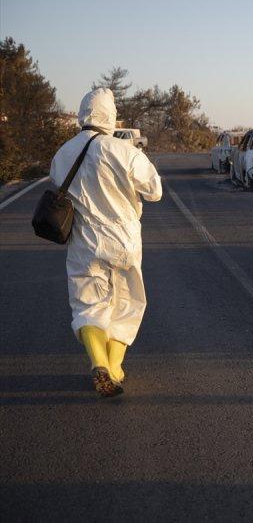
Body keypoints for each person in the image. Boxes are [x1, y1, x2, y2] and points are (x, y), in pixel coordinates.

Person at [49, 88, 161, 397]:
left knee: (87, 304)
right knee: (127, 303)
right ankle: (114, 367)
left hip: (83, 241)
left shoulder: (63, 153)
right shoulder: (123, 150)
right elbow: (154, 191)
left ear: (82, 114)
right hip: (123, 240)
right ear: (110, 115)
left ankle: (98, 361)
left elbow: (58, 186)